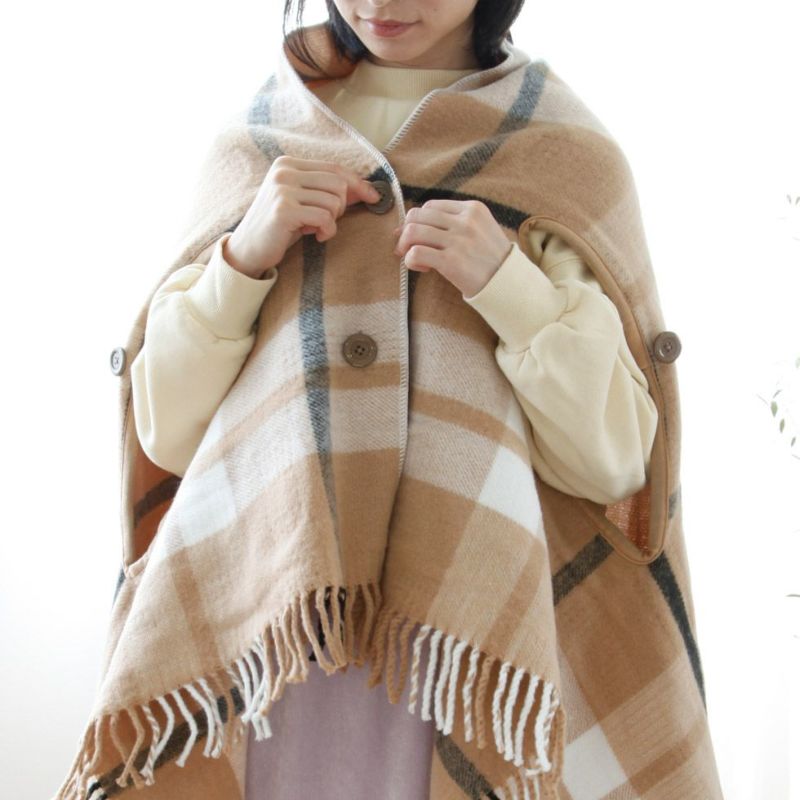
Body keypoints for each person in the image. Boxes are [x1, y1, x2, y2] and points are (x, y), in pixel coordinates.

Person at [128, 1, 659, 798]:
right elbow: (168, 435)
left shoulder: (561, 159)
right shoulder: (254, 147)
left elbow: (613, 463)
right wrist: (241, 260)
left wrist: (507, 285)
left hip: (468, 654)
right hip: (268, 642)